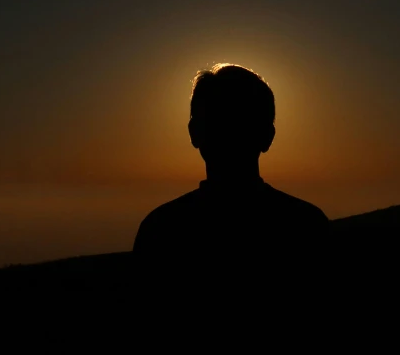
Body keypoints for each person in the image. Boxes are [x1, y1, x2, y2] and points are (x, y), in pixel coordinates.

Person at [133, 63, 329, 264]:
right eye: (218, 120)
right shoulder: (305, 224)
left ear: (194, 132)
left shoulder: (162, 229)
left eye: (238, 121)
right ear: (268, 136)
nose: (228, 133)